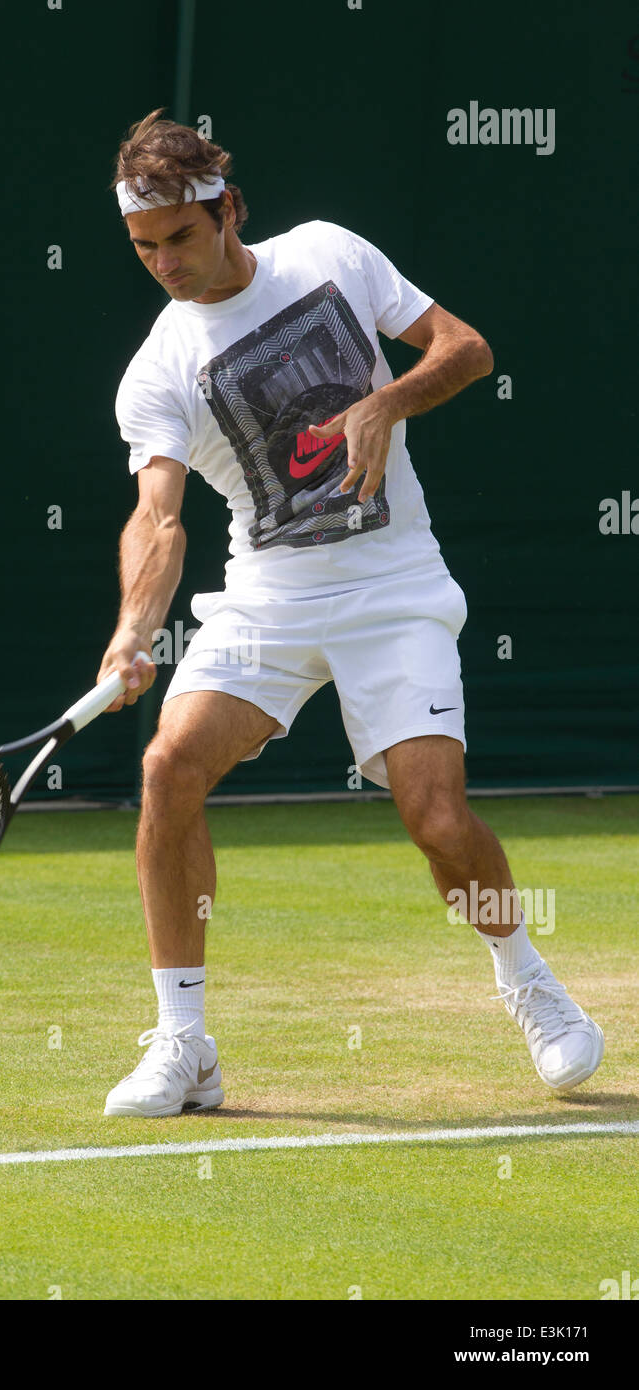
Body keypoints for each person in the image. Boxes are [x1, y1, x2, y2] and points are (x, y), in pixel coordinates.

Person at [97, 109, 603, 1117]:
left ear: (227, 209)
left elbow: (464, 350)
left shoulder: (327, 255)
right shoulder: (157, 367)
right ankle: (184, 1043)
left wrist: (385, 402)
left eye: (180, 239)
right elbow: (157, 517)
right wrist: (130, 630)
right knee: (167, 765)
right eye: (143, 247)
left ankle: (524, 979)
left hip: (393, 586)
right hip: (265, 598)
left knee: (435, 816)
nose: (163, 263)